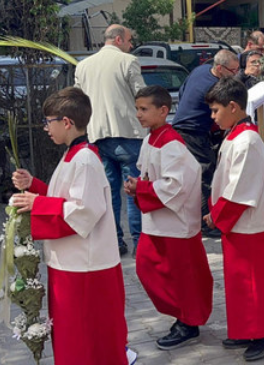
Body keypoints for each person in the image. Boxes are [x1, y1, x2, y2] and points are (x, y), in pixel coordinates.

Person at [11, 87, 129, 364]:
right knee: (72, 334)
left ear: (66, 122)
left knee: (84, 336)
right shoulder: (74, 154)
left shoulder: (85, 158)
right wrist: (35, 187)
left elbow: (84, 210)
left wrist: (36, 204)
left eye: (48, 121)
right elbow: (66, 198)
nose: (44, 128)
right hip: (72, 262)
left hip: (85, 267)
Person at [202, 78, 264, 361]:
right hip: (240, 224)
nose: (213, 117)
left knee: (256, 282)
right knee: (242, 281)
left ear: (233, 106)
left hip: (251, 224)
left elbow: (240, 189)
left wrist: (216, 216)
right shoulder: (235, 134)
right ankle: (248, 327)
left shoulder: (247, 140)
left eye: (216, 111)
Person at [123, 85, 213, 350]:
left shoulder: (171, 142)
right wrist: (137, 185)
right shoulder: (152, 137)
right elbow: (152, 175)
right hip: (160, 221)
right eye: (137, 108)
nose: (138, 114)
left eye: (144, 109)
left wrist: (141, 188)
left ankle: (188, 323)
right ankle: (183, 317)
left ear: (163, 111)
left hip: (175, 224)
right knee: (149, 268)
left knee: (181, 276)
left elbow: (177, 185)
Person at [74, 24, 145, 256]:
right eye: (129, 40)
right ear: (117, 39)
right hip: (128, 134)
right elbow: (142, 96)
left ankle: (115, 241)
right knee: (133, 190)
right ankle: (139, 242)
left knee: (110, 192)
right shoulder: (128, 61)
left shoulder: (83, 66)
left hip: (98, 136)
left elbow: (79, 101)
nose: (131, 44)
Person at [172, 50, 240, 239]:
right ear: (220, 68)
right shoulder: (214, 87)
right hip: (193, 132)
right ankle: (206, 224)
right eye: (233, 71)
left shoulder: (201, 70)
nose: (236, 74)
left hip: (182, 127)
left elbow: (182, 90)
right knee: (205, 175)